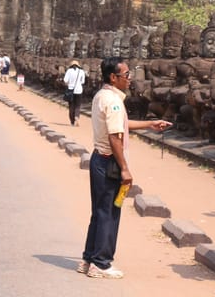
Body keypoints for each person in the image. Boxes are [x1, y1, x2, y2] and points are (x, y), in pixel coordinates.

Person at [79, 57, 170, 279]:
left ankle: (89, 259)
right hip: (109, 160)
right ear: (113, 77)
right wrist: (125, 168)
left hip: (99, 159)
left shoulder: (103, 96)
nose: (130, 79)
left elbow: (120, 125)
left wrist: (149, 124)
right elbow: (114, 137)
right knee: (109, 213)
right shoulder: (114, 102)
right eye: (126, 75)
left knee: (99, 212)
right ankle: (101, 263)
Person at [64, 60, 86, 126]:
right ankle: (77, 116)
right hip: (79, 90)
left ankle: (72, 122)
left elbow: (65, 80)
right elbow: (83, 81)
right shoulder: (81, 71)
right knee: (77, 105)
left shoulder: (69, 71)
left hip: (71, 90)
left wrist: (69, 84)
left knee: (71, 106)